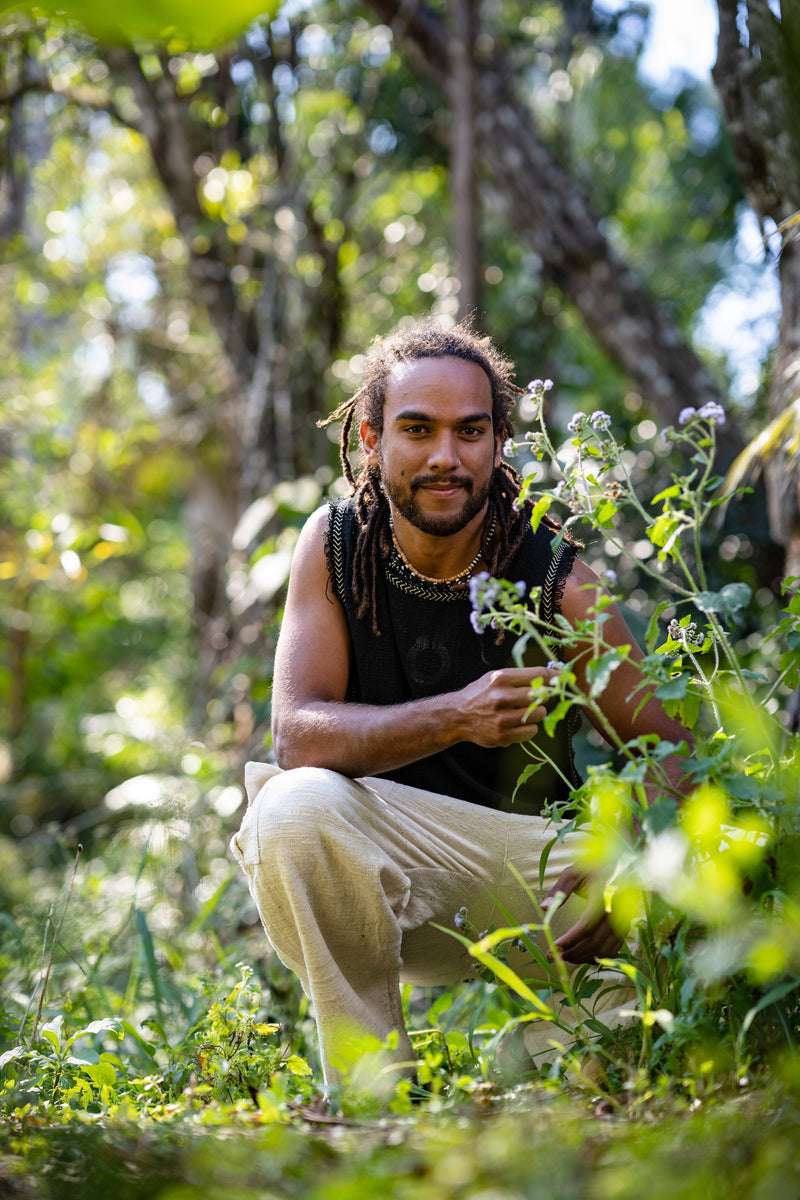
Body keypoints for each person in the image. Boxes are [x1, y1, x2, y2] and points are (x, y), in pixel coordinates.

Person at [230, 319, 692, 1091]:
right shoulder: (336, 544)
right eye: (418, 429)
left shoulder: (555, 575)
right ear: (372, 440)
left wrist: (635, 851)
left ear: (500, 441)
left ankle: (542, 1054)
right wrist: (457, 714)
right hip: (381, 869)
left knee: (605, 1055)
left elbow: (673, 751)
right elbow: (296, 735)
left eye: (470, 431)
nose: (446, 456)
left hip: (544, 887)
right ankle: (375, 1091)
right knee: (292, 808)